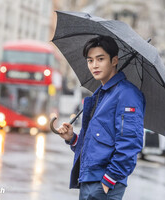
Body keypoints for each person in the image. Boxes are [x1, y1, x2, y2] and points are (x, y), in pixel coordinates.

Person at [57, 35, 145, 200]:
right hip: (88, 180)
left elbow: (130, 144)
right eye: (90, 60)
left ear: (114, 61)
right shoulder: (101, 94)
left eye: (100, 59)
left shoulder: (127, 94)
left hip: (104, 184)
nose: (94, 65)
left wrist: (107, 182)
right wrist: (73, 139)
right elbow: (98, 144)